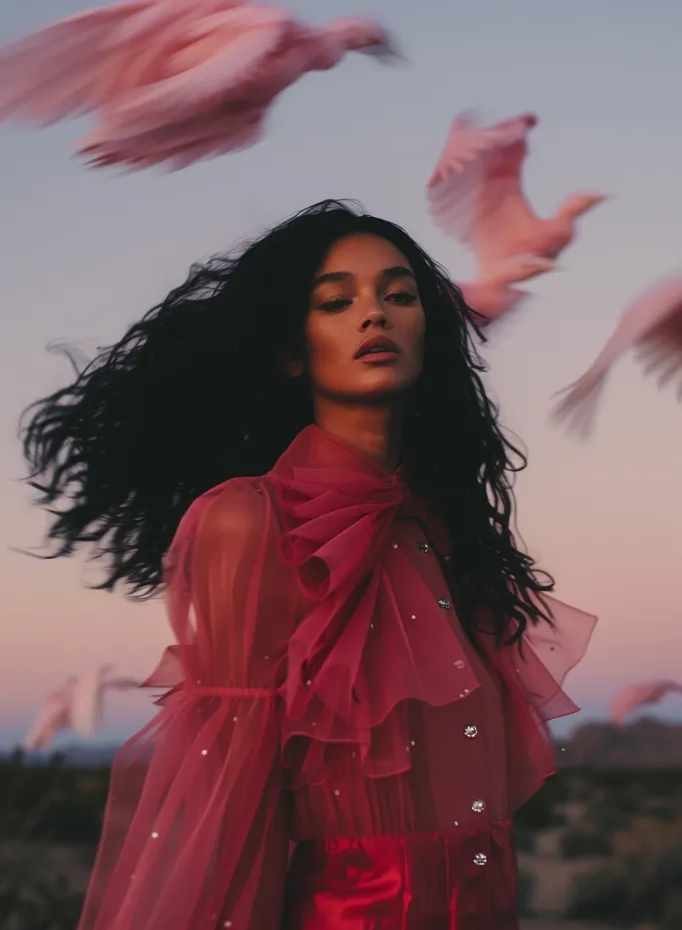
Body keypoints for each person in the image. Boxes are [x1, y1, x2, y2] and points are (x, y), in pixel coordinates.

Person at [21, 199, 595, 929]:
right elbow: (228, 802)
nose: (374, 316)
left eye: (399, 295)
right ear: (293, 351)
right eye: (336, 302)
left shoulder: (449, 529)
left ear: (430, 333)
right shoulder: (250, 519)